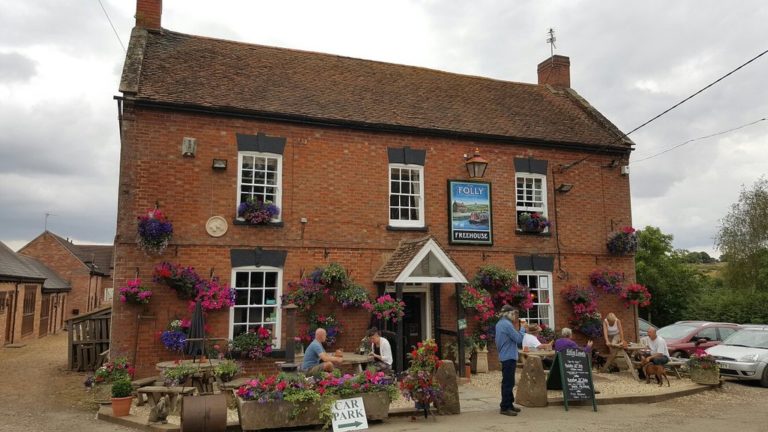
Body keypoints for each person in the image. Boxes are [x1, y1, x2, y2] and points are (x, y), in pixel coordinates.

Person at [495, 304, 525, 417]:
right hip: (509, 357)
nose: (514, 316)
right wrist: (522, 328)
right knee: (508, 383)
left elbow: (498, 342)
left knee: (508, 382)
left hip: (505, 355)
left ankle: (509, 404)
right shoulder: (507, 325)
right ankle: (505, 407)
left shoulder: (500, 324)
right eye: (513, 314)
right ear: (508, 314)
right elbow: (518, 339)